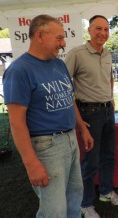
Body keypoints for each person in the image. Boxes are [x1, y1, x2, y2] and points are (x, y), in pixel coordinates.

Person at [3, 14, 94, 218]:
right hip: (46, 146)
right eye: (59, 38)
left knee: (74, 199)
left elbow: (69, 100)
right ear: (40, 36)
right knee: (54, 211)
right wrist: (31, 163)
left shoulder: (59, 64)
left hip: (70, 139)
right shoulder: (19, 70)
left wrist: (81, 128)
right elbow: (16, 123)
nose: (64, 43)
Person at [65, 15, 118, 218]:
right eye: (98, 28)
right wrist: (79, 121)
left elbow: (109, 79)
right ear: (89, 30)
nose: (103, 33)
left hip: (108, 111)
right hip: (89, 113)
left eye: (106, 29)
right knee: (90, 161)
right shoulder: (76, 54)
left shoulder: (107, 53)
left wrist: (111, 101)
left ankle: (106, 191)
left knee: (108, 155)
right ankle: (85, 203)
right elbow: (65, 90)